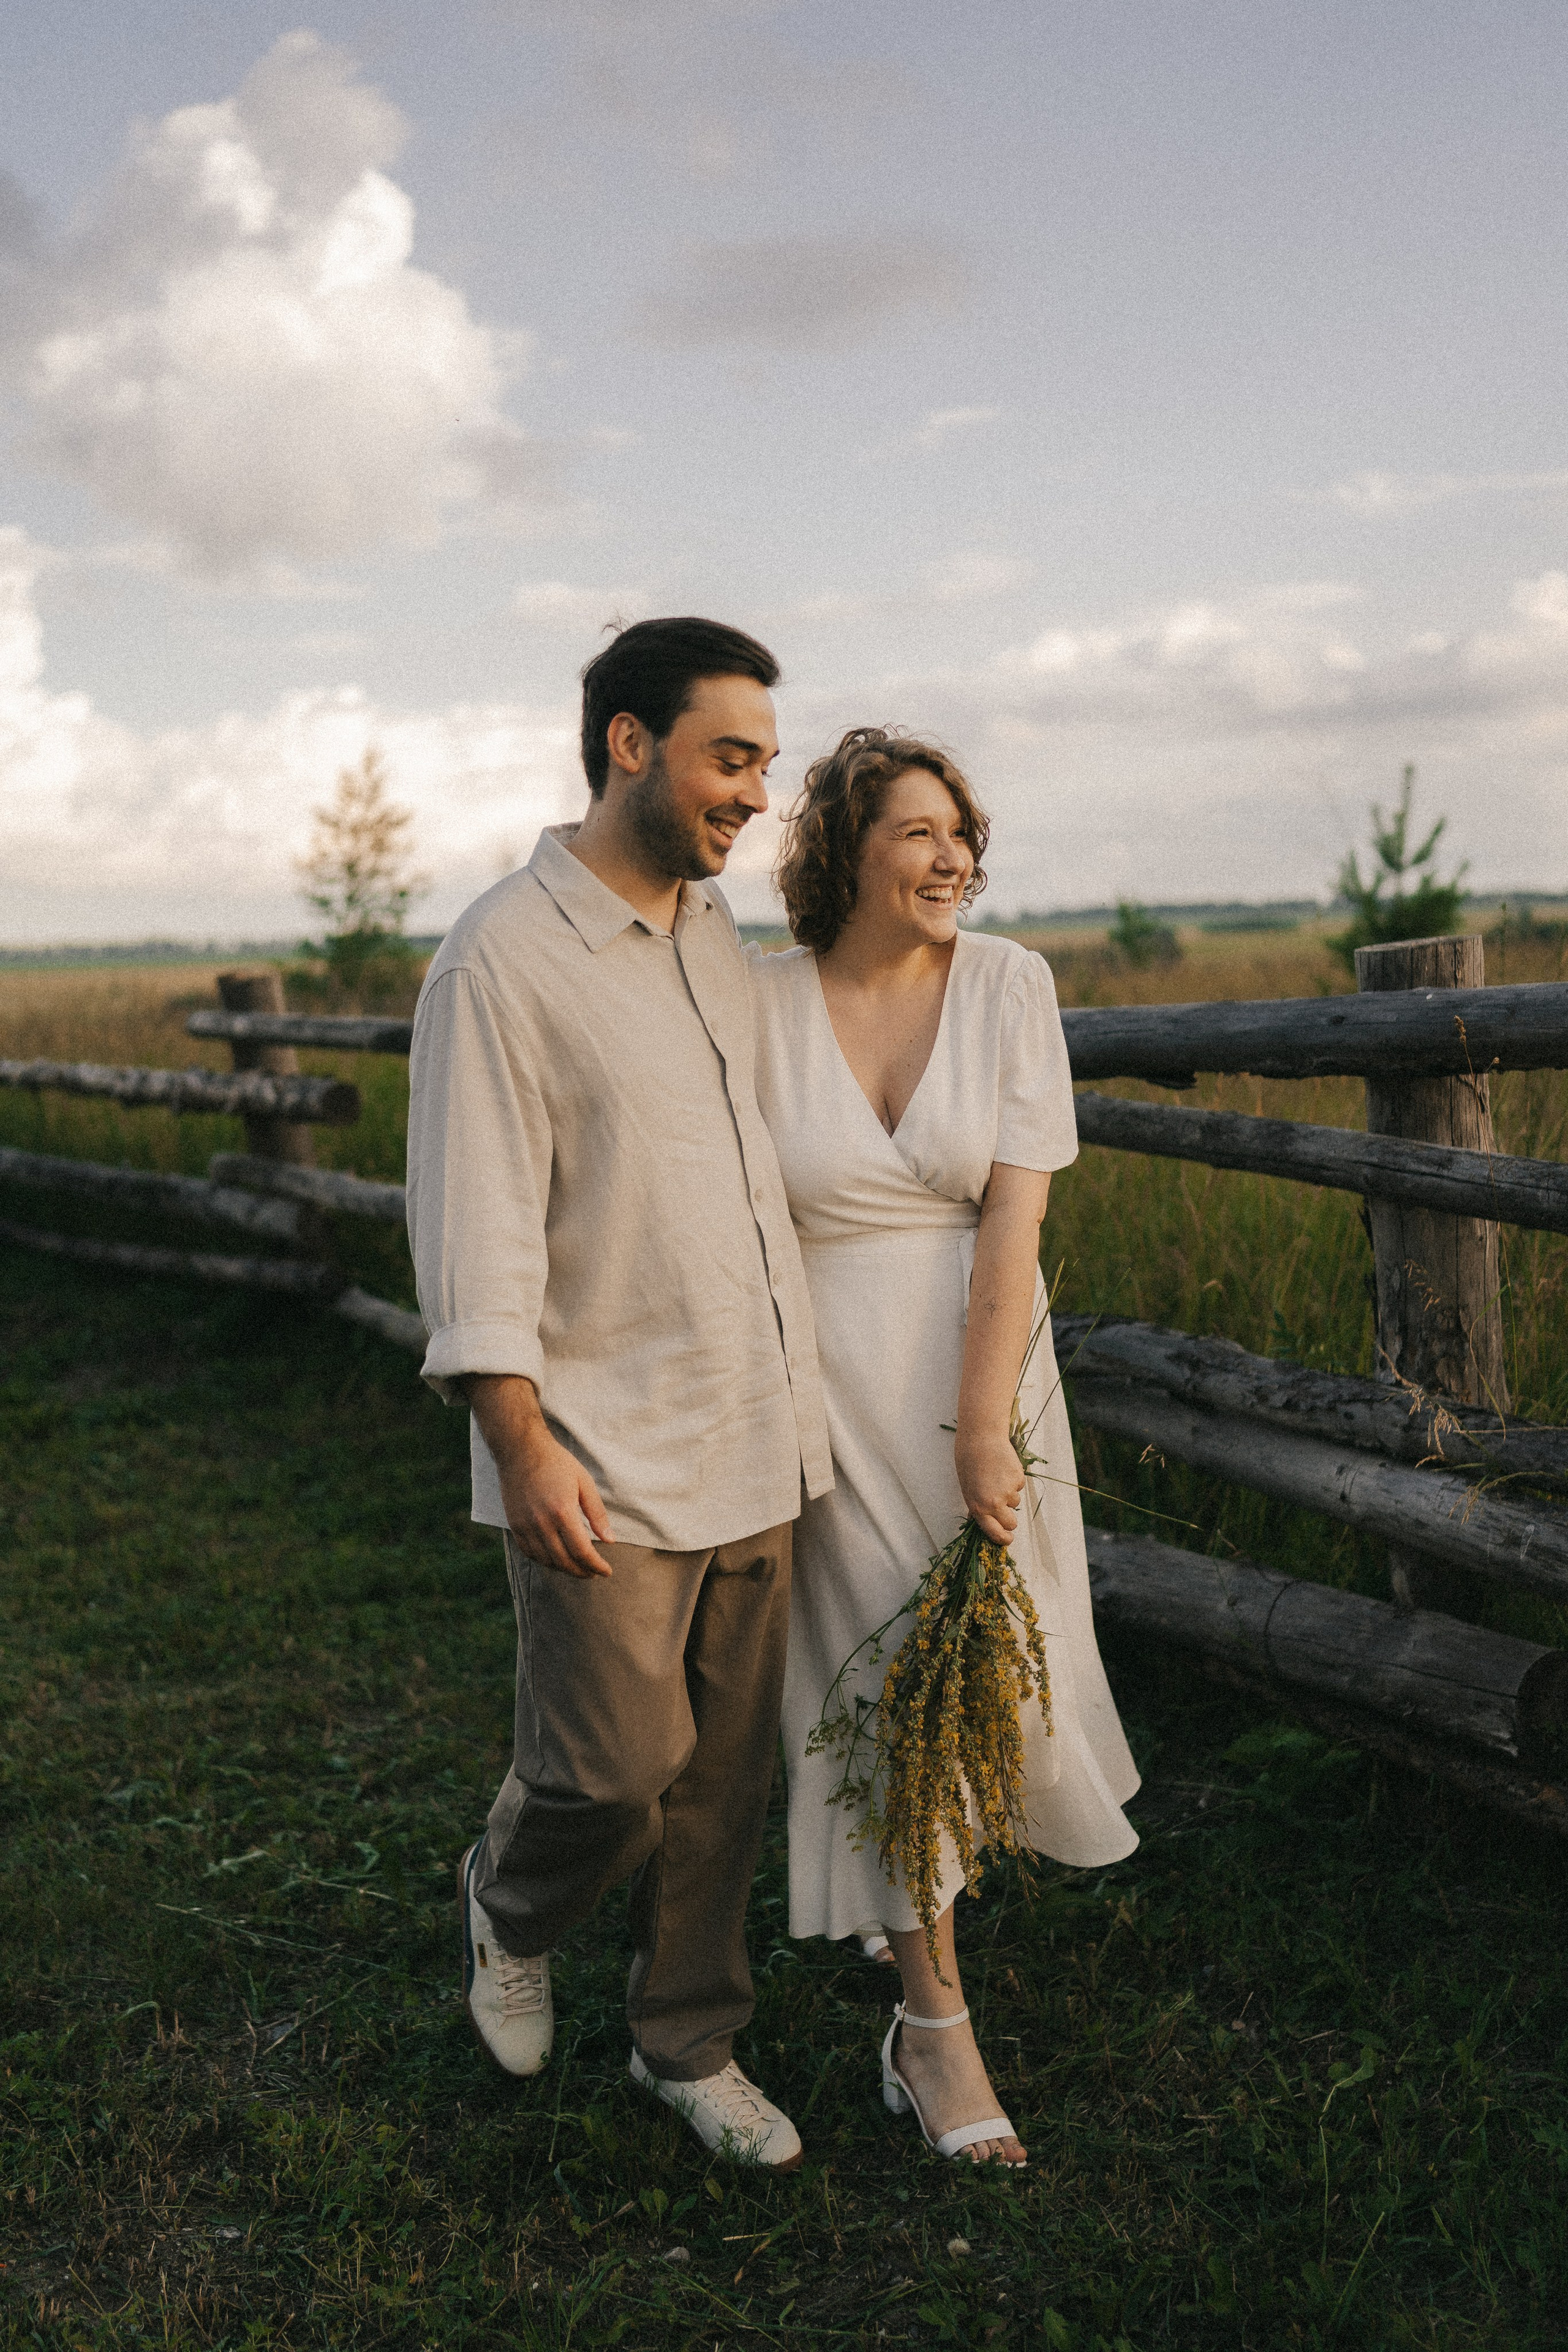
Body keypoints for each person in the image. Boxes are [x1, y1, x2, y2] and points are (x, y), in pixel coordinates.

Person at [405, 617, 832, 2174]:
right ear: (628, 744)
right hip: (599, 1449)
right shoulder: (500, 960)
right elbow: (473, 1226)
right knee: (610, 1768)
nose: (753, 796)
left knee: (721, 1786)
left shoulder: (713, 935)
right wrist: (516, 1440)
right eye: (732, 759)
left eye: (766, 767)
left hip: (758, 1429)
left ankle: (687, 2044)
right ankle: (508, 1907)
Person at [748, 726, 1140, 2169]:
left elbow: (1015, 1219)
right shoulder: (758, 1002)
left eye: (961, 832)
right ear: (843, 850)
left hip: (981, 1368)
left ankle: (906, 1938)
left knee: (977, 1668)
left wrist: (984, 1428)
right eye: (916, 831)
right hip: (821, 1386)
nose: (952, 856)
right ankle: (933, 2031)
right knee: (877, 1683)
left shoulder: (1008, 985)